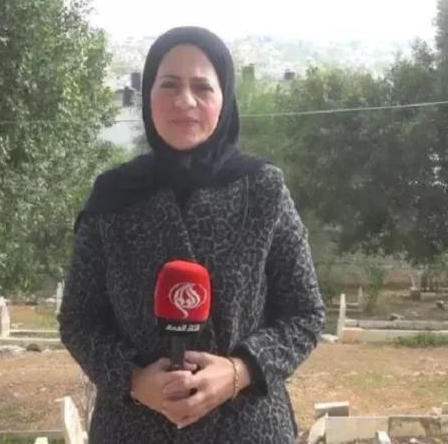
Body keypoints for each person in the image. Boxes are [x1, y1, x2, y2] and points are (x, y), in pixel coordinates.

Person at [59, 26, 326, 444]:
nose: (185, 101)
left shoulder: (263, 190)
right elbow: (79, 319)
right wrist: (134, 380)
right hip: (132, 429)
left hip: (248, 428)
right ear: (148, 96)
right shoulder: (113, 197)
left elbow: (305, 314)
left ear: (224, 99)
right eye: (169, 85)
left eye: (202, 87)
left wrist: (239, 372)